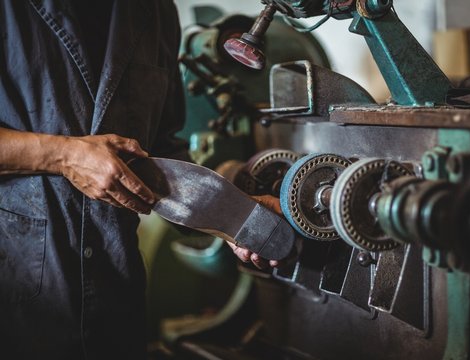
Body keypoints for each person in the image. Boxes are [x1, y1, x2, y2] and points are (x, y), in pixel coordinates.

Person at [0, 1, 279, 359]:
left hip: (115, 292)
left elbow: (161, 153)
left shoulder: (156, 12)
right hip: (20, 293)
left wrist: (234, 216)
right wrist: (63, 155)